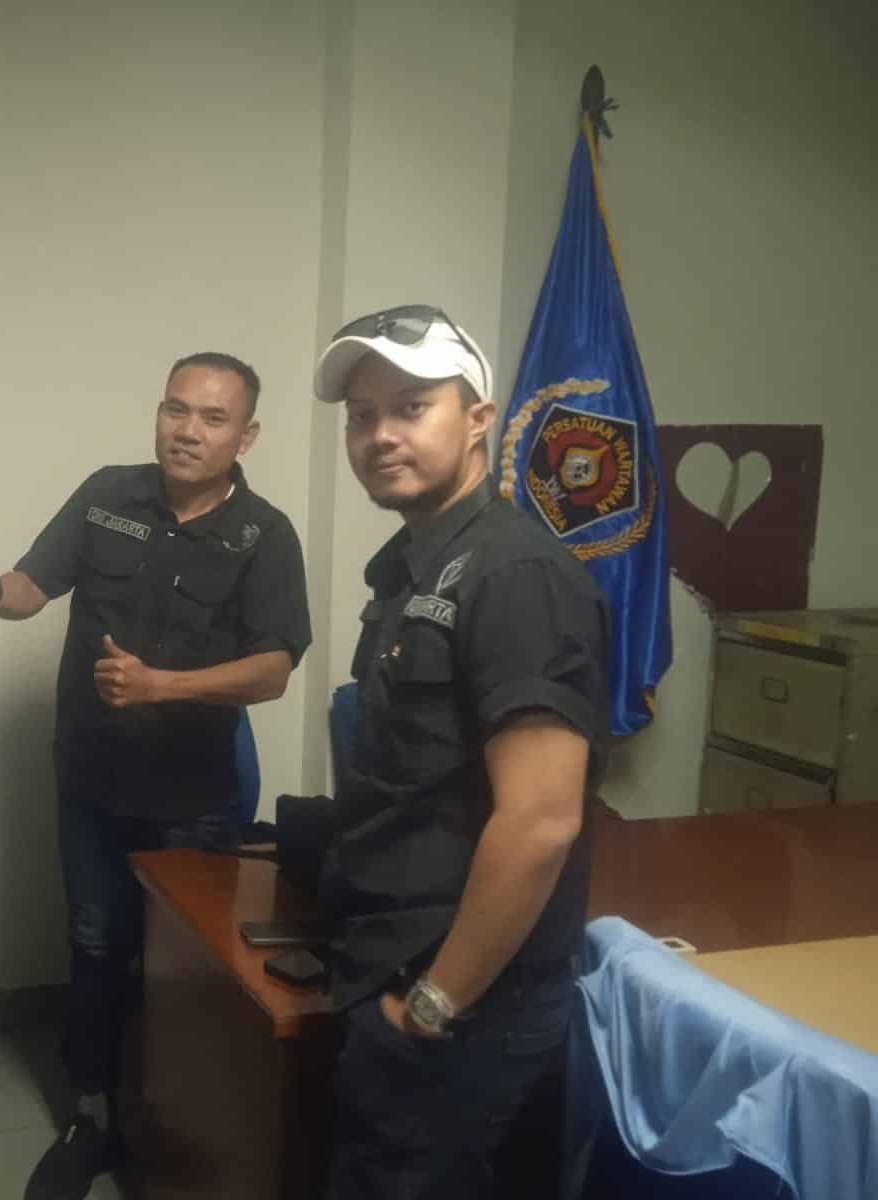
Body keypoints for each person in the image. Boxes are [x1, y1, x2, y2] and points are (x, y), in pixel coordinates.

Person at [0, 351, 311, 1200]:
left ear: (246, 435)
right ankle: (93, 1114)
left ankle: (179, 1130)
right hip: (93, 778)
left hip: (197, 797)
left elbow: (274, 669)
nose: (188, 430)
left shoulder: (265, 535)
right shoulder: (108, 495)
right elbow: (35, 584)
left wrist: (162, 687)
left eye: (213, 418)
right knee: (96, 942)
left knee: (187, 967)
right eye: (176, 409)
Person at [312, 305, 610, 1199]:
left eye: (411, 407)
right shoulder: (419, 565)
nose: (380, 435)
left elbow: (541, 821)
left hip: (463, 1001)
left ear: (478, 419)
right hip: (395, 959)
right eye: (363, 415)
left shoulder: (515, 574)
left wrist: (435, 1002)